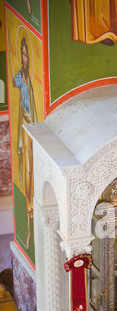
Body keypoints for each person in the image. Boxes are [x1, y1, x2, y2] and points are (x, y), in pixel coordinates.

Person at [8, 32, 37, 252]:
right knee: (27, 185)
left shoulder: (32, 84)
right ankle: (29, 234)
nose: (25, 59)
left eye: (27, 55)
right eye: (22, 54)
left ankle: (33, 234)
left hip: (34, 138)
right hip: (25, 135)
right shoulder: (21, 77)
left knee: (34, 184)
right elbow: (12, 78)